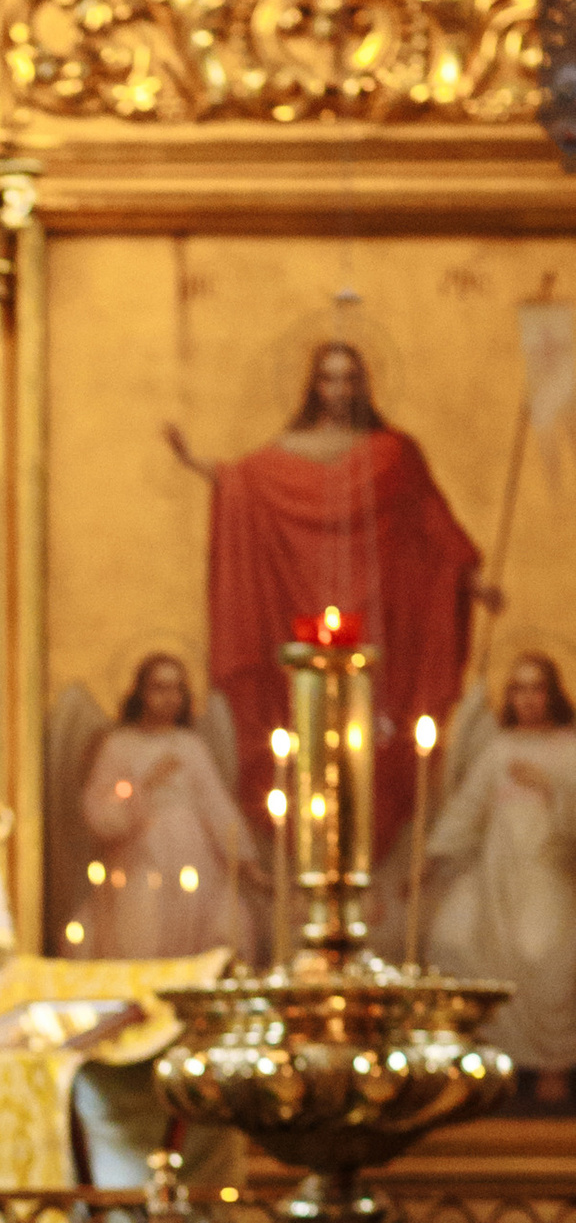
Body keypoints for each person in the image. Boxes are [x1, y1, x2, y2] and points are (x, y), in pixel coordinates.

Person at [164, 340, 488, 859]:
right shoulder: (287, 453)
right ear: (313, 386)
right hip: (297, 608)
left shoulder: (394, 454)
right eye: (329, 379)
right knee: (301, 725)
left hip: (382, 616)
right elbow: (243, 482)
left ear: (365, 385)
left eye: (350, 379)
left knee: (377, 731)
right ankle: (308, 852)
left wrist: (471, 582)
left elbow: (430, 522)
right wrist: (195, 464)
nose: (340, 390)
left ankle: (365, 850)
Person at [424, 651, 576, 1078]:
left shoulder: (571, 747)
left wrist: (552, 788)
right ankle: (489, 1062)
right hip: (496, 877)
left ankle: (554, 1068)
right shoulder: (498, 749)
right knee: (452, 937)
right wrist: (433, 858)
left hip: (549, 873)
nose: (528, 699)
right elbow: (468, 809)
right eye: (518, 689)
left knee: (543, 953)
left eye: (536, 688)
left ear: (552, 693)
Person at [73, 654, 260, 961]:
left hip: (195, 860)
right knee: (140, 932)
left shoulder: (191, 746)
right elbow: (100, 812)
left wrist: (244, 858)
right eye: (159, 687)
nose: (169, 698)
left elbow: (216, 805)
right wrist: (143, 785)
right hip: (140, 860)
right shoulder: (118, 745)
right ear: (141, 693)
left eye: (176, 689)